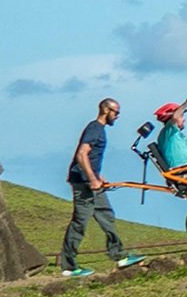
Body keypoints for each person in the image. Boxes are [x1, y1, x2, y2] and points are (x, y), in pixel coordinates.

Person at [56, 97, 141, 278]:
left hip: (91, 182)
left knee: (106, 216)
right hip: (84, 184)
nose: (117, 116)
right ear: (105, 110)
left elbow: (89, 157)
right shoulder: (95, 129)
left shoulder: (99, 130)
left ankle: (120, 256)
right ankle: (68, 267)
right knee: (80, 223)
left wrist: (97, 176)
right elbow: (81, 154)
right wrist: (92, 179)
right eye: (116, 112)